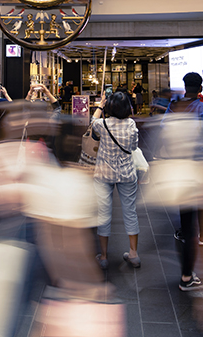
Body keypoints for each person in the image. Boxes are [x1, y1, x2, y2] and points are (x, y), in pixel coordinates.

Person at [169, 72, 203, 291]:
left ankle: (186, 235)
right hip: (201, 167)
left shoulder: (175, 108)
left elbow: (165, 133)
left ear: (184, 86)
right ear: (200, 88)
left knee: (186, 213)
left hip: (180, 168)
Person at [90, 91, 140, 270]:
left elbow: (91, 123)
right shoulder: (131, 124)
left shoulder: (103, 124)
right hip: (126, 173)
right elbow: (134, 147)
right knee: (130, 211)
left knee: (103, 214)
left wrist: (100, 105)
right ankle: (133, 254)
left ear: (109, 107)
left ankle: (103, 256)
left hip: (104, 174)